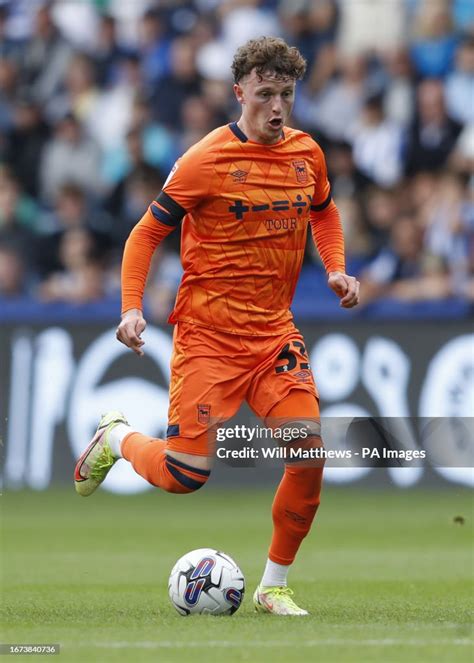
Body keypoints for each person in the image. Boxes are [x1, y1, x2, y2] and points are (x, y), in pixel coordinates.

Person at [74, 36, 359, 616]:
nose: (277, 107)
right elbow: (145, 233)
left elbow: (324, 212)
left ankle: (274, 585)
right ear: (239, 93)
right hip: (208, 336)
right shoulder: (205, 159)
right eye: (264, 95)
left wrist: (336, 269)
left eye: (286, 94)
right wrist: (131, 307)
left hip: (274, 333)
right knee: (185, 475)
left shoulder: (308, 154)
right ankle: (117, 437)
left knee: (308, 452)